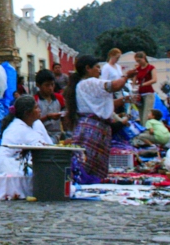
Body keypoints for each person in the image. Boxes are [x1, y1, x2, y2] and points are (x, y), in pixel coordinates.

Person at [63, 54, 131, 183]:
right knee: (89, 162)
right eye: (97, 67)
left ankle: (86, 183)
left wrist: (122, 100)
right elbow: (115, 86)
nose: (99, 70)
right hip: (93, 128)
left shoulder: (83, 84)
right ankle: (86, 182)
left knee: (87, 161)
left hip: (90, 126)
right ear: (88, 68)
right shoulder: (90, 82)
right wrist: (127, 76)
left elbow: (98, 106)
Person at [0, 95, 54, 176]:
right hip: (22, 174)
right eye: (36, 108)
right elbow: (2, 156)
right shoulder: (14, 130)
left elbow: (49, 146)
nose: (39, 110)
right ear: (27, 113)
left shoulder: (37, 124)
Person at [126, 51, 157, 124]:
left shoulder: (151, 67)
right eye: (137, 61)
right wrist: (134, 91)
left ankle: (147, 128)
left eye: (139, 60)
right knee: (141, 113)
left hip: (148, 92)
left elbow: (154, 79)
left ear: (144, 58)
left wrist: (143, 84)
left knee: (147, 113)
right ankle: (143, 128)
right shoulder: (137, 69)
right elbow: (134, 81)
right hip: (140, 94)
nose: (138, 62)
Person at [33, 69, 63, 142]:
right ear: (38, 85)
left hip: (57, 135)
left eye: (52, 84)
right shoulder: (35, 100)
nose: (50, 88)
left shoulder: (59, 98)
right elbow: (33, 122)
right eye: (47, 85)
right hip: (41, 135)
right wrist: (47, 117)